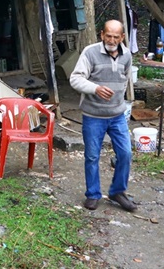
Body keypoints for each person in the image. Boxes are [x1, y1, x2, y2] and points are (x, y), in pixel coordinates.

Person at [69, 20, 137, 212]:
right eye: (108, 35)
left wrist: (120, 102)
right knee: (92, 156)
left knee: (125, 153)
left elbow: (125, 79)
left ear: (122, 37)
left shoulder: (127, 56)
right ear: (102, 35)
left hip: (117, 115)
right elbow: (75, 78)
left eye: (116, 36)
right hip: (93, 115)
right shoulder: (90, 52)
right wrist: (95, 88)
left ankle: (117, 191)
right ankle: (92, 194)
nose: (112, 40)